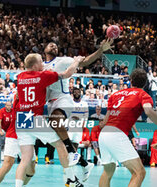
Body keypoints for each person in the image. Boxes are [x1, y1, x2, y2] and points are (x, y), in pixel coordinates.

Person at [10, 54, 85, 187]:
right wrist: (76, 61)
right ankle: (70, 178)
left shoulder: (21, 77)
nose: (43, 65)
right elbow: (66, 74)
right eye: (41, 63)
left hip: (21, 119)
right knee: (60, 143)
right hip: (34, 118)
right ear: (36, 64)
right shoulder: (42, 75)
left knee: (25, 159)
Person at [44, 39, 114, 173]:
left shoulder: (62, 61)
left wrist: (100, 50)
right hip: (50, 102)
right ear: (44, 49)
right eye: (50, 44)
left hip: (63, 99)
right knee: (55, 138)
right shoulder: (41, 65)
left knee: (54, 120)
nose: (53, 45)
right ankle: (84, 163)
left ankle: (71, 152)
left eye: (55, 46)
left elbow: (85, 61)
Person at [69, 87, 94, 182]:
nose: (76, 93)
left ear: (80, 93)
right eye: (75, 91)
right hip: (70, 126)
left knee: (75, 145)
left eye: (78, 91)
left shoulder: (84, 103)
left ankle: (75, 164)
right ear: (72, 93)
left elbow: (86, 116)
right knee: (68, 145)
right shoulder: (70, 102)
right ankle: (83, 164)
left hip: (79, 128)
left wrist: (84, 123)